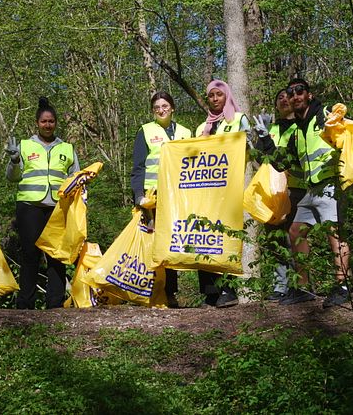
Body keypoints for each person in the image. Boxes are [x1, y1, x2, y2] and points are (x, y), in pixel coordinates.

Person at [277, 78, 351, 308]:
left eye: (300, 91)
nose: (295, 96)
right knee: (296, 231)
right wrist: (263, 142)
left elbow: (347, 135)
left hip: (329, 185)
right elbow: (282, 163)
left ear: (309, 95)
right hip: (311, 188)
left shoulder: (324, 116)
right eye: (291, 93)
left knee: (334, 232)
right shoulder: (295, 130)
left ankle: (343, 285)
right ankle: (302, 287)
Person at [6, 97, 80, 309]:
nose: (48, 125)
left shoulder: (67, 148)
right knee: (30, 254)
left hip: (57, 208)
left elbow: (76, 178)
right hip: (30, 207)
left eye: (51, 121)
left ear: (56, 123)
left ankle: (55, 304)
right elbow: (12, 178)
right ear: (37, 123)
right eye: (44, 122)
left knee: (56, 256)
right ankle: (25, 305)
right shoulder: (24, 145)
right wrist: (14, 160)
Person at [130, 91, 192, 308]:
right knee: (154, 243)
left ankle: (170, 293)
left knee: (172, 243)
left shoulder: (185, 132)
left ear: (172, 107)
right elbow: (138, 167)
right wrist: (138, 195)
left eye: (165, 106)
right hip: (152, 197)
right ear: (152, 111)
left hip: (178, 195)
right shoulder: (145, 131)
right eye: (157, 107)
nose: (161, 110)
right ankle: (149, 290)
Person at [196, 79, 250, 308]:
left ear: (226, 95)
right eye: (211, 96)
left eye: (219, 95)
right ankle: (210, 292)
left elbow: (249, 145)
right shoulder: (202, 127)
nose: (215, 99)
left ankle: (228, 289)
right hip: (205, 191)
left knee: (225, 238)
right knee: (202, 238)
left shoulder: (238, 119)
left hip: (230, 189)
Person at [252, 88, 307, 301]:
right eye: (279, 98)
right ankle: (280, 285)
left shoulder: (300, 127)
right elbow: (259, 157)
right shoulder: (270, 128)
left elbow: (288, 160)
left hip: (294, 188)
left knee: (295, 237)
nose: (283, 100)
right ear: (275, 105)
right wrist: (255, 138)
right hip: (271, 190)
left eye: (287, 97)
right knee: (274, 238)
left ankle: (298, 284)